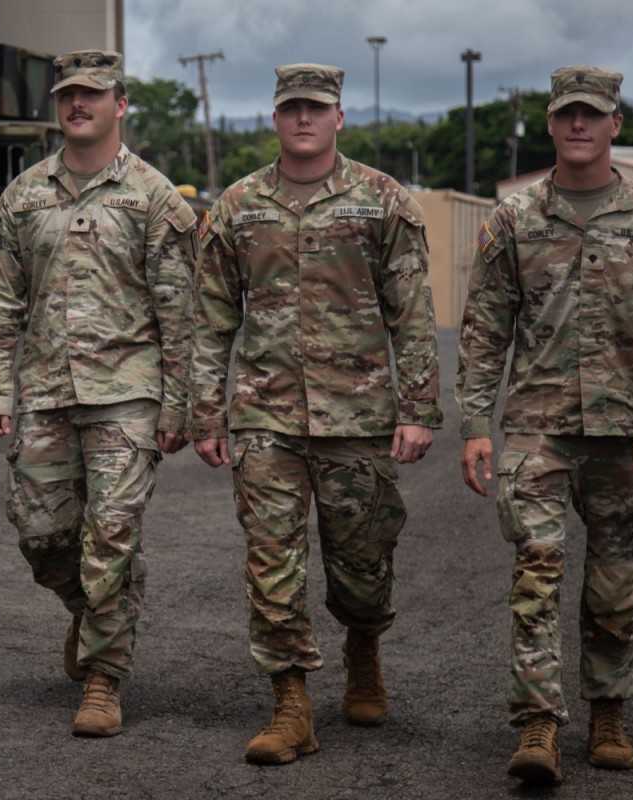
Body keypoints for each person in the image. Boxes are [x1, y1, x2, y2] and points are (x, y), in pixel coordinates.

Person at [188, 63, 442, 765]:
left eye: (316, 107)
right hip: (264, 418)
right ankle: (290, 703)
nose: (303, 118)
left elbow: (413, 316)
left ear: (339, 117)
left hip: (357, 418)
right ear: (274, 118)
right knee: (272, 562)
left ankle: (363, 645)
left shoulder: (381, 201)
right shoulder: (237, 206)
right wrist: (206, 414)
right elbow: (209, 320)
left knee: (361, 565)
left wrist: (419, 408)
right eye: (291, 107)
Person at [456, 65, 633, 784]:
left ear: (615, 124)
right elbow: (484, 330)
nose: (579, 126)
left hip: (625, 431)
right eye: (567, 115)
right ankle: (537, 724)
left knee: (617, 580)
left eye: (593, 115)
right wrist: (475, 422)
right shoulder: (515, 219)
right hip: (537, 426)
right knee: (537, 570)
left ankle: (609, 711)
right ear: (552, 124)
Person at [0, 50, 198, 738]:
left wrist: (180, 405)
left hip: (127, 395)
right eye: (68, 93)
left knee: (110, 536)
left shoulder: (154, 197)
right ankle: (96, 605)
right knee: (41, 533)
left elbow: (180, 314)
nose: (78, 104)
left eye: (93, 94)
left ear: (120, 104)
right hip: (44, 391)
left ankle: (103, 679)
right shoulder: (24, 195)